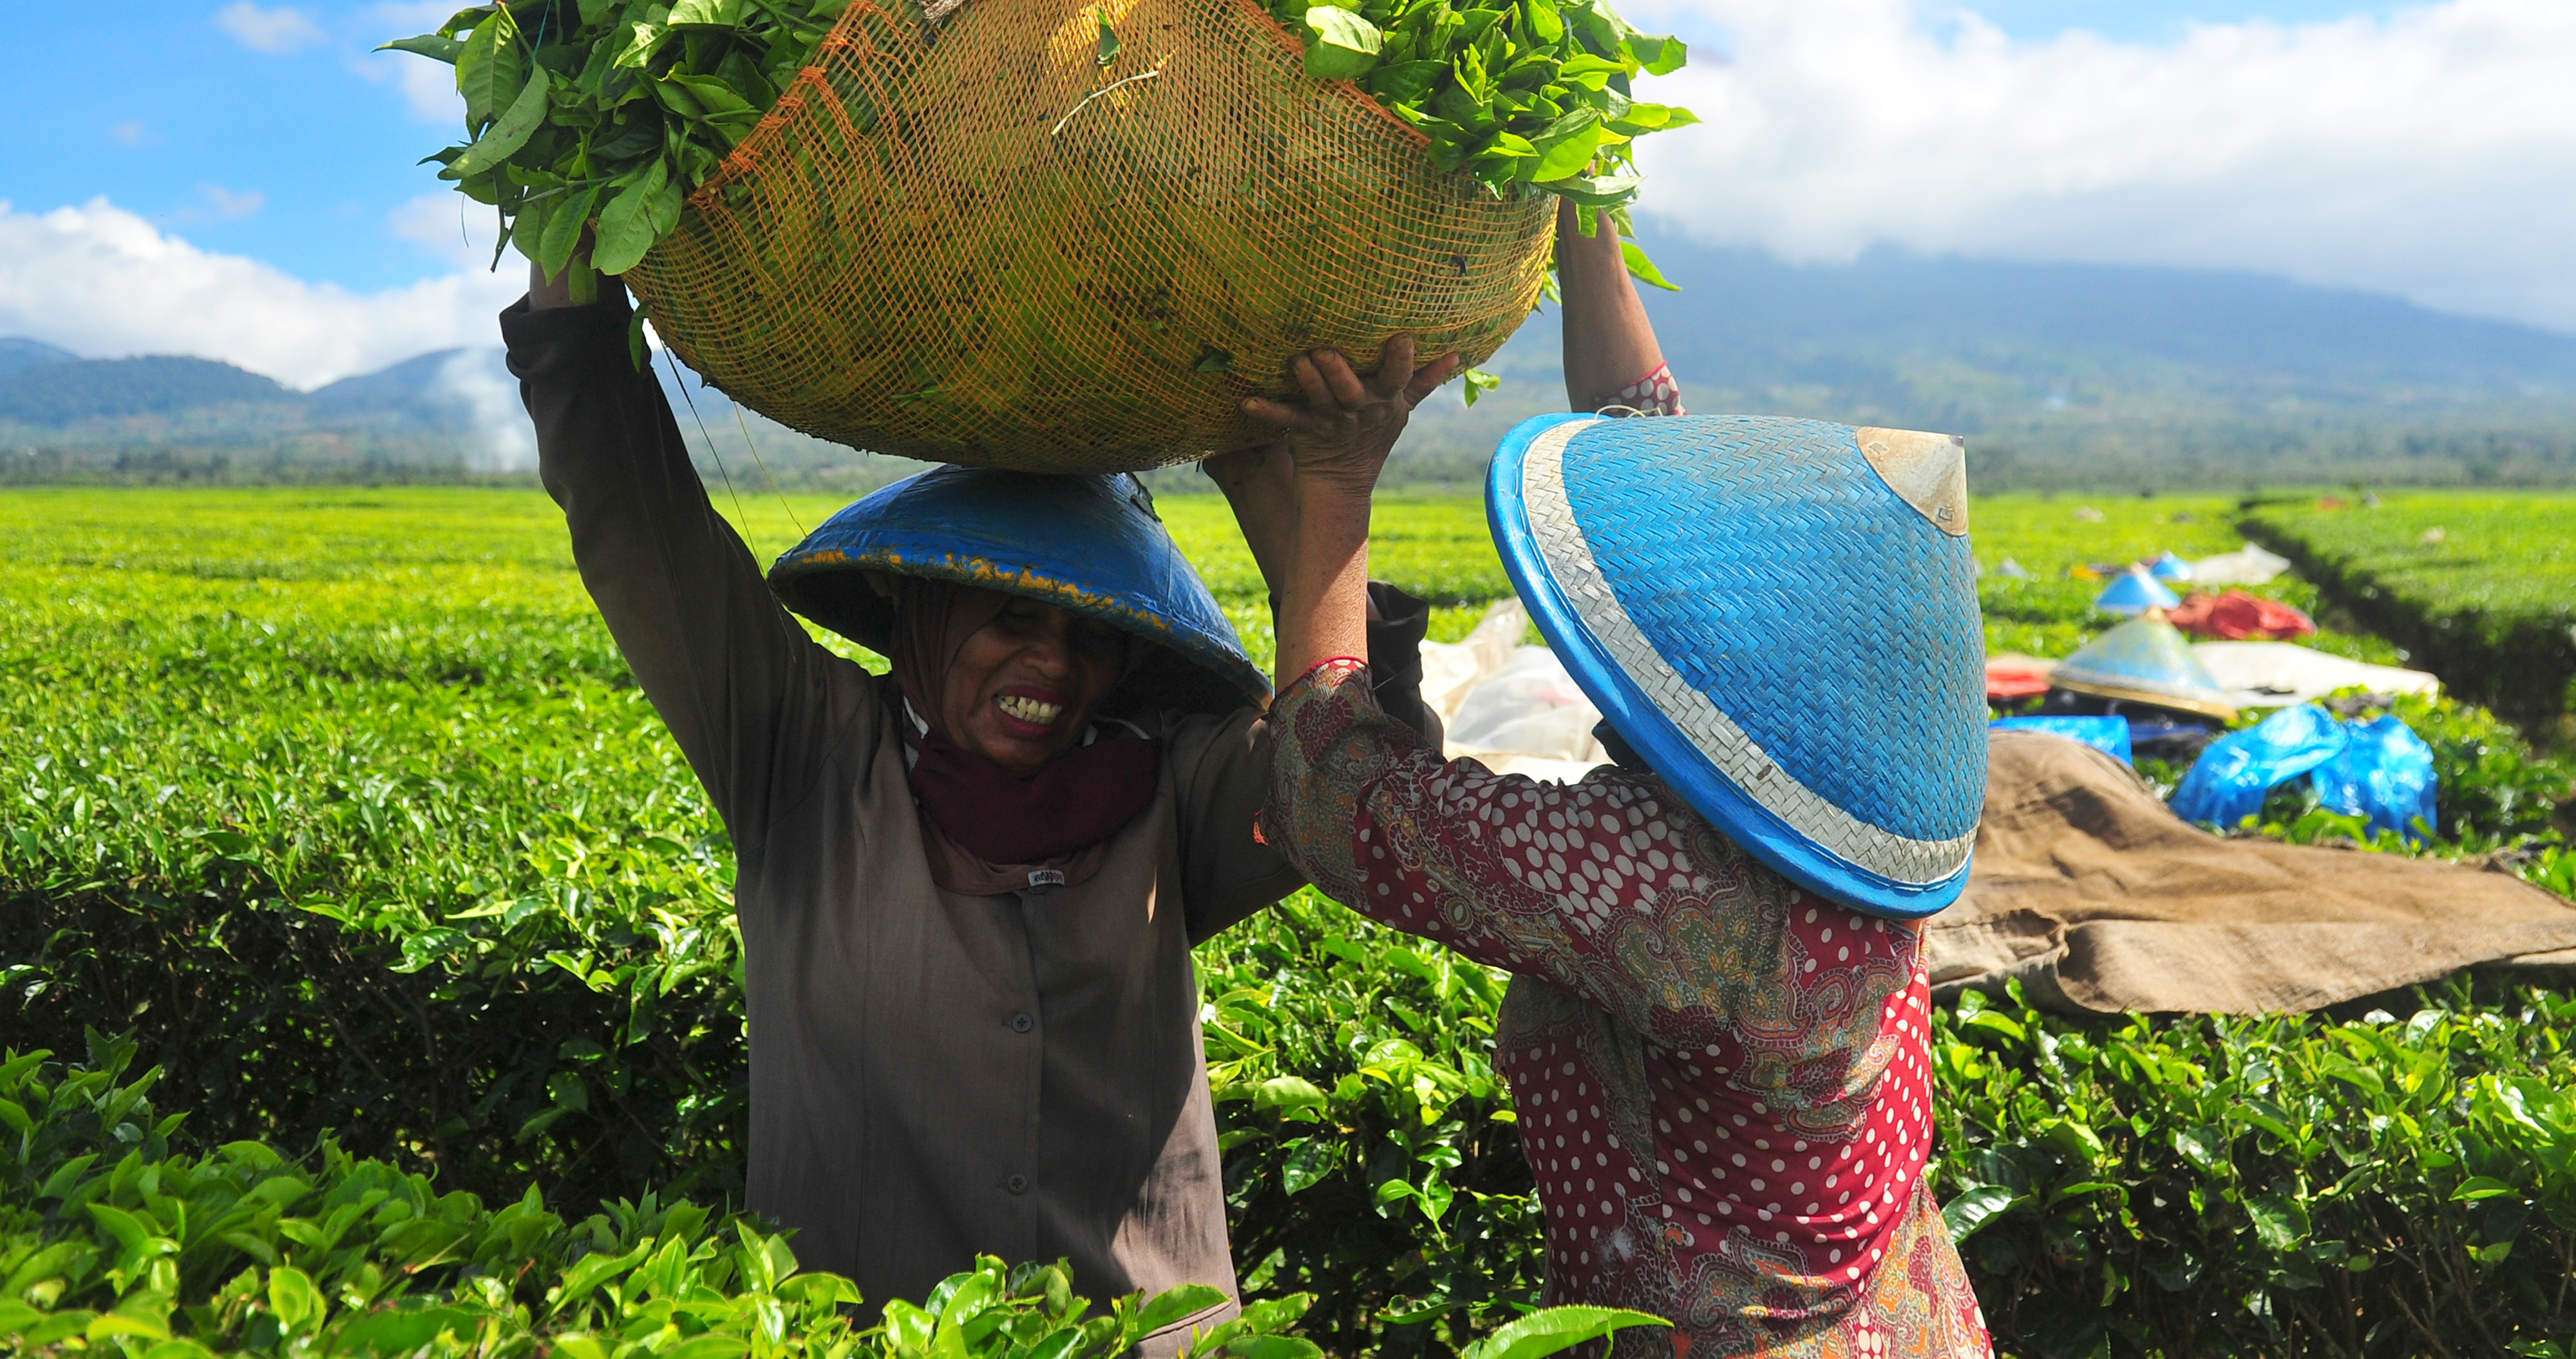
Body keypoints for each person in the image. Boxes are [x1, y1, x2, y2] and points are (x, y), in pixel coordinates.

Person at [501, 261, 1438, 1352]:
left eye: (1095, 634)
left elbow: (1373, 785)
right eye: (1006, 617)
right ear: (925, 605)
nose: (1052, 661)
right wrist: (573, 291)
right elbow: (634, 517)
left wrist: (1297, 482)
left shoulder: (1173, 790)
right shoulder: (803, 755)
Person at [1244, 202, 1994, 1356]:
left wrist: (1336, 482)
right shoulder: (1849, 825)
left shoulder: (1675, 876)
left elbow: (1338, 797)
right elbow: (1651, 453)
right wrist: (1583, 214)